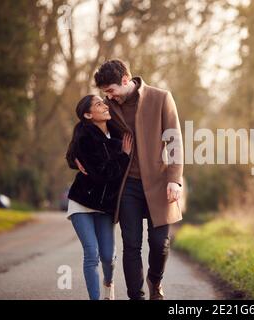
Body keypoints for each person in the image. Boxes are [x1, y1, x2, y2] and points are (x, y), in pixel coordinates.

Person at [74, 59, 184, 300]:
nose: (109, 97)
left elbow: (174, 140)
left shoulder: (161, 98)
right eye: (105, 94)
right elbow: (84, 131)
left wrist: (174, 179)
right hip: (126, 185)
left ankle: (155, 281)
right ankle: (137, 296)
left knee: (160, 243)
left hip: (159, 182)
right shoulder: (109, 107)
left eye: (111, 90)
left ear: (125, 80)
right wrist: (74, 159)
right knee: (131, 245)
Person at [65, 94, 133, 300]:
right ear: (88, 115)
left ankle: (108, 282)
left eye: (103, 102)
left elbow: (71, 156)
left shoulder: (117, 132)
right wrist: (123, 155)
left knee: (107, 256)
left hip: (105, 206)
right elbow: (102, 174)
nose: (104, 105)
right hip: (82, 202)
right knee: (91, 254)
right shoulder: (85, 136)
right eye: (98, 104)